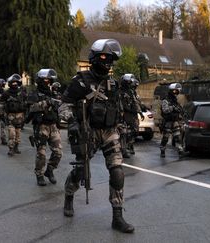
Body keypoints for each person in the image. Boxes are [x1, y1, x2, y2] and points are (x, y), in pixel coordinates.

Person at [58, 39, 134, 233]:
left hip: (109, 132)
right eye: (103, 57)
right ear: (93, 57)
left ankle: (117, 216)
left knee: (117, 172)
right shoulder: (80, 81)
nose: (107, 61)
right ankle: (68, 195)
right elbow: (64, 106)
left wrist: (122, 127)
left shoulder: (113, 83)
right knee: (81, 171)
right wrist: (74, 122)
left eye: (110, 58)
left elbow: (117, 108)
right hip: (88, 130)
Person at [25, 69, 62, 186]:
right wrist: (47, 103)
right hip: (41, 126)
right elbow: (31, 108)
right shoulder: (33, 94)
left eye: (49, 80)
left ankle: (49, 170)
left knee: (58, 152)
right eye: (45, 80)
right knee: (41, 153)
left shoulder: (52, 93)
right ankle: (39, 174)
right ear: (40, 81)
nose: (47, 82)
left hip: (53, 126)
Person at [0, 74, 27, 156]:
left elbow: (26, 103)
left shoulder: (22, 93)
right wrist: (2, 115)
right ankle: (11, 149)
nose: (15, 84)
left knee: (18, 134)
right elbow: (1, 104)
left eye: (16, 82)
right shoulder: (6, 93)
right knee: (12, 134)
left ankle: (16, 147)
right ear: (10, 83)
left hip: (20, 116)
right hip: (10, 117)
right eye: (13, 82)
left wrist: (26, 115)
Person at [118, 74, 142, 158]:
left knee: (135, 131)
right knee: (124, 132)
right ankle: (124, 150)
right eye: (128, 82)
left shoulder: (131, 92)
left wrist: (140, 112)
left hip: (131, 114)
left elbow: (135, 102)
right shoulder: (119, 92)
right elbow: (121, 105)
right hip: (123, 115)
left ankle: (129, 145)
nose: (130, 84)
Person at [159, 83, 184, 158]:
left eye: (177, 92)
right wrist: (172, 108)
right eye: (175, 91)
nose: (176, 93)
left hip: (175, 121)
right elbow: (165, 110)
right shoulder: (165, 100)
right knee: (166, 137)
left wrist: (179, 110)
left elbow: (180, 109)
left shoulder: (175, 100)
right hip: (167, 121)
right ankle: (162, 150)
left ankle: (180, 151)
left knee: (178, 137)